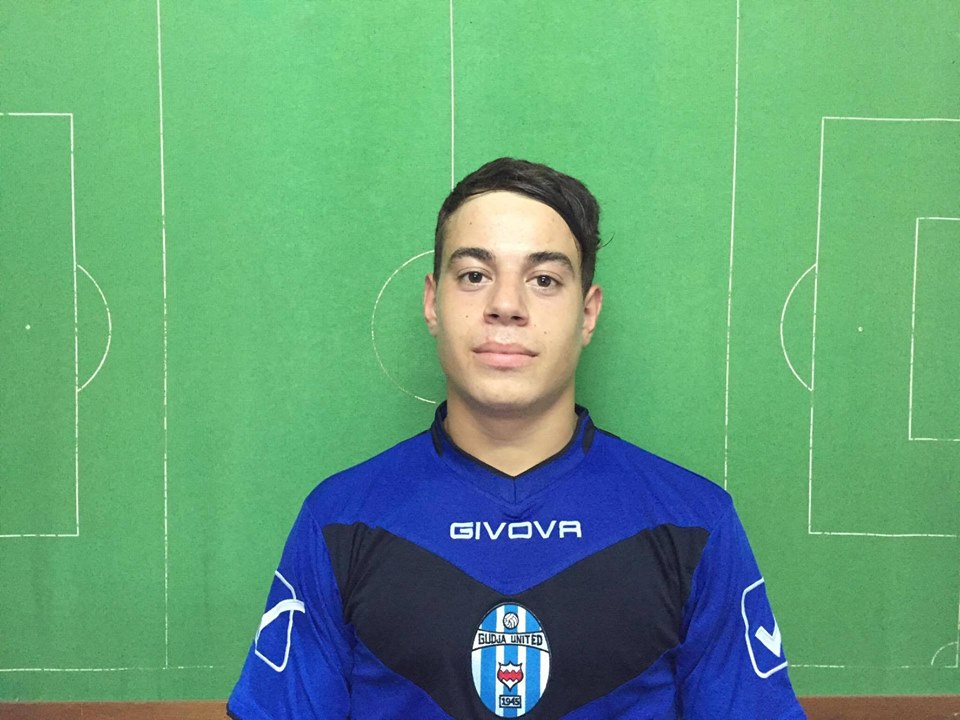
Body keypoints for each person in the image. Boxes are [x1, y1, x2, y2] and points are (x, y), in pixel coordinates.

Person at [227, 158, 806, 719]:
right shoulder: (339, 520)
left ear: (587, 313)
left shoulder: (694, 524)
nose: (506, 306)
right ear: (433, 302)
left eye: (544, 280)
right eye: (474, 276)